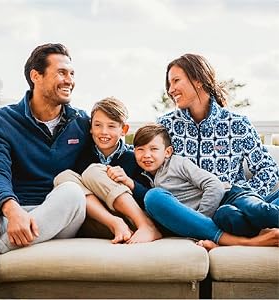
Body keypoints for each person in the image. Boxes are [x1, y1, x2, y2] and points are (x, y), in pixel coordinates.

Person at [0, 43, 93, 299]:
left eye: (72, 74)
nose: (70, 80)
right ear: (36, 76)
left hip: (60, 216)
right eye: (62, 73)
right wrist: (13, 210)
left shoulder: (82, 122)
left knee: (72, 192)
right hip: (15, 212)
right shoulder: (0, 121)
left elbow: (103, 162)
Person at [157, 53, 279, 237]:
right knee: (226, 214)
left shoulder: (237, 124)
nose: (170, 89)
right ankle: (260, 225)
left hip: (236, 201)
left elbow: (267, 168)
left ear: (198, 80)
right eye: (169, 84)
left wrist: (248, 196)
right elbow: (147, 158)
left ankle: (258, 217)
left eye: (175, 81)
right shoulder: (165, 126)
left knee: (244, 210)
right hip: (197, 212)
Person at [133, 123, 279, 249]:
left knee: (259, 210)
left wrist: (200, 218)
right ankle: (262, 236)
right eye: (140, 149)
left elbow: (215, 185)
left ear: (167, 152)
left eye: (153, 149)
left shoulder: (177, 163)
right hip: (220, 214)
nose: (146, 155)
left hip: (231, 196)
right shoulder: (145, 178)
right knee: (229, 216)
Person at [54, 97, 162, 244]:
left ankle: (146, 226)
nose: (104, 132)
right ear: (91, 128)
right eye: (98, 125)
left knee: (92, 172)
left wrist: (129, 183)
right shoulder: (82, 157)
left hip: (131, 220)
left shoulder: (134, 158)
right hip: (102, 222)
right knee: (63, 178)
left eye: (111, 126)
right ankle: (115, 223)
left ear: (124, 130)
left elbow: (149, 197)